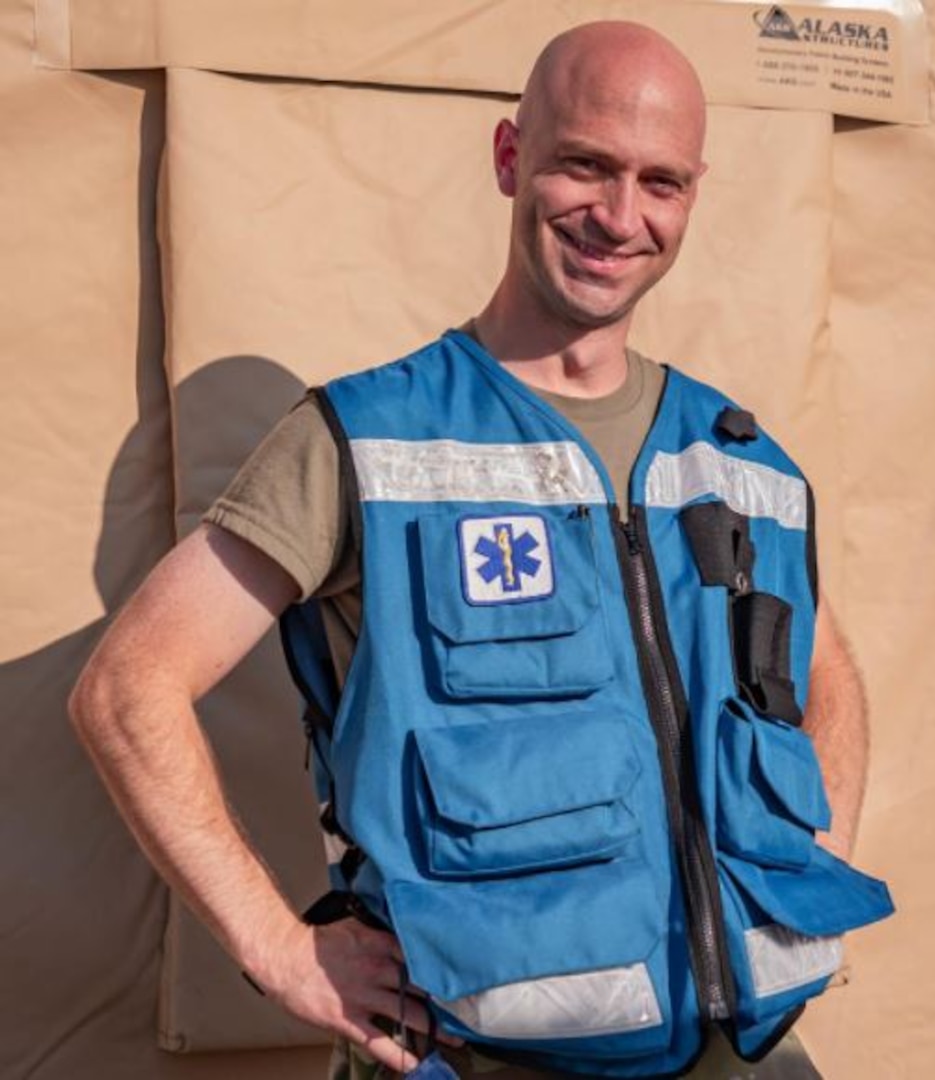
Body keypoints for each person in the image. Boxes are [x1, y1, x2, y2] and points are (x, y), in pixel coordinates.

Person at [70, 20, 891, 1080]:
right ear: (510, 160)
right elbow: (128, 688)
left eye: (659, 181)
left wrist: (801, 878)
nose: (618, 216)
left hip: (745, 1057)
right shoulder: (368, 441)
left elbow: (825, 673)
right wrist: (278, 948)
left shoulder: (741, 461)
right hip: (473, 1059)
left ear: (693, 194)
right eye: (584, 165)